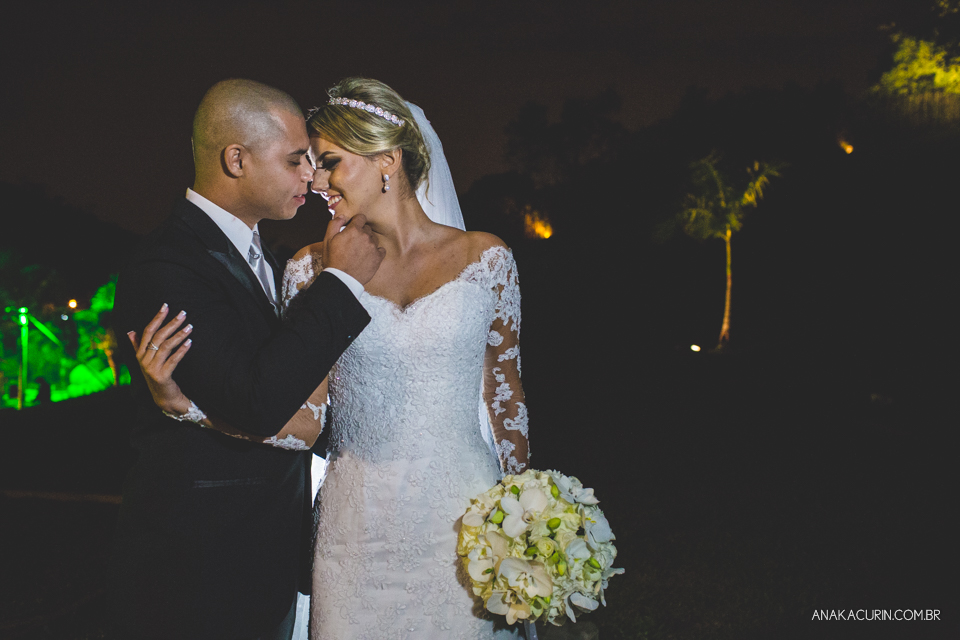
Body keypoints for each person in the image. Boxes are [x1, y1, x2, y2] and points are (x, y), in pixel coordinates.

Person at [137, 78, 531, 639]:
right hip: (355, 530)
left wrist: (527, 517)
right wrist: (187, 408)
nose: (314, 180)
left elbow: (507, 404)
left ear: (386, 160)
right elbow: (301, 424)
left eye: (328, 162)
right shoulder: (307, 270)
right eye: (308, 163)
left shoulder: (486, 259)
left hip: (466, 518)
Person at [110, 78, 385, 640]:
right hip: (204, 564)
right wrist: (342, 283)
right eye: (294, 161)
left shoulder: (268, 256)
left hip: (270, 551)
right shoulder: (169, 264)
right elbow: (258, 402)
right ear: (236, 159)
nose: (311, 176)